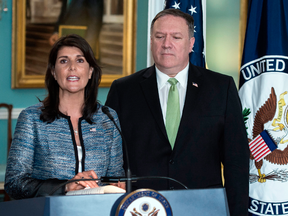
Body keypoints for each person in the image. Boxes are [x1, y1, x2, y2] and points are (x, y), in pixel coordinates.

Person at [105, 9, 249, 216]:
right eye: (159, 36)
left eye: (176, 37)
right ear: (152, 41)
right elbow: (111, 160)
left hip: (204, 208)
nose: (166, 44)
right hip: (141, 208)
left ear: (191, 43)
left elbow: (237, 164)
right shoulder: (123, 90)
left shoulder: (221, 88)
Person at [5, 34, 124, 199]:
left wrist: (118, 184)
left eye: (80, 60)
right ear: (53, 72)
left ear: (90, 72)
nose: (72, 67)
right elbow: (14, 183)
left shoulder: (108, 118)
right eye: (64, 61)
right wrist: (65, 186)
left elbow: (116, 178)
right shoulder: (31, 118)